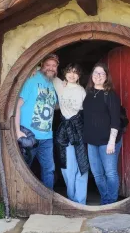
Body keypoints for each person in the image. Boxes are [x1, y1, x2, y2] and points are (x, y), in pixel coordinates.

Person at [15, 54, 59, 190]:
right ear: (41, 65)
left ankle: (48, 203)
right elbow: (18, 105)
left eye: (54, 65)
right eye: (48, 65)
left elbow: (55, 105)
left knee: (49, 170)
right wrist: (17, 131)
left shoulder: (53, 83)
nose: (51, 68)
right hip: (29, 135)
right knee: (24, 169)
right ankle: (21, 201)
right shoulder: (31, 80)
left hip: (47, 137)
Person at [83, 62, 122, 205]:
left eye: (102, 73)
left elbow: (115, 120)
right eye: (95, 73)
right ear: (91, 76)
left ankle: (111, 202)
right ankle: (106, 199)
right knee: (97, 174)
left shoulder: (110, 95)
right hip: (91, 141)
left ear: (106, 77)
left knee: (110, 173)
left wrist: (112, 141)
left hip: (108, 141)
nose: (98, 76)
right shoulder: (87, 94)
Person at [54, 63, 89, 205]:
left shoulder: (82, 91)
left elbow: (86, 112)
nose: (72, 75)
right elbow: (40, 67)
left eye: (75, 72)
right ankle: (71, 200)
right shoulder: (59, 85)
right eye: (69, 71)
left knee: (82, 165)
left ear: (79, 75)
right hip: (64, 130)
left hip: (79, 129)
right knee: (68, 166)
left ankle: (80, 201)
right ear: (64, 73)